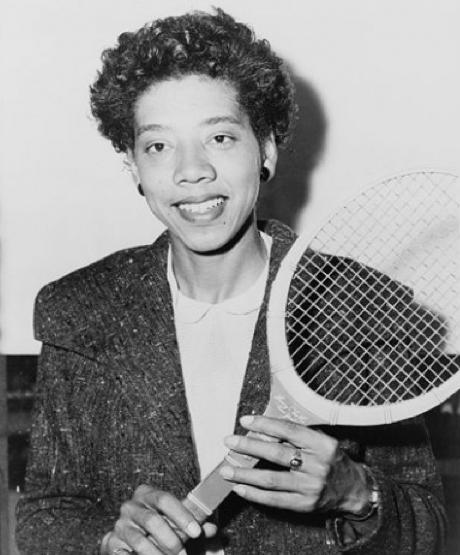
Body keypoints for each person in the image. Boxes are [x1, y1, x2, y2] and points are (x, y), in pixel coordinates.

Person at [15, 9, 447, 555]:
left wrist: (357, 493)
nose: (190, 170)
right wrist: (106, 542)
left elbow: (430, 527)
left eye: (219, 137)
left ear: (264, 149)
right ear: (132, 167)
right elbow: (46, 514)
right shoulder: (80, 309)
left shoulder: (359, 304)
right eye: (158, 146)